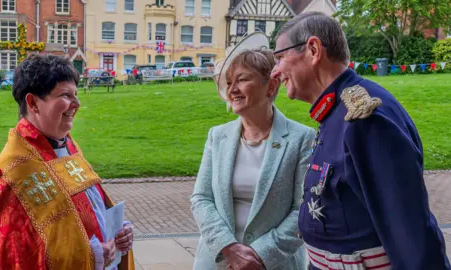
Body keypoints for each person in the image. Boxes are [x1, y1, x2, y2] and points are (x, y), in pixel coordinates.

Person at [272, 11, 450, 269]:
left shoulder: (365, 119)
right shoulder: (335, 111)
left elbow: (410, 235)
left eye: (280, 57)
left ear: (313, 49)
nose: (276, 71)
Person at [0, 55, 135, 270]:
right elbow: (14, 256)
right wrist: (92, 256)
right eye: (65, 95)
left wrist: (117, 231)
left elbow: (89, 206)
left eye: (76, 95)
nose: (76, 104)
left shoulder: (67, 145)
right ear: (33, 103)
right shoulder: (14, 172)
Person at [191, 48, 315, 270]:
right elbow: (201, 198)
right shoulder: (217, 136)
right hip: (219, 260)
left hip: (275, 263)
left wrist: (259, 255)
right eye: (228, 83)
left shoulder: (302, 139)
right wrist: (228, 247)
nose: (232, 90)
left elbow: (303, 209)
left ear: (270, 86)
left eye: (242, 80)